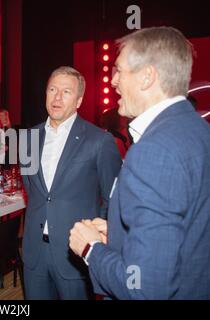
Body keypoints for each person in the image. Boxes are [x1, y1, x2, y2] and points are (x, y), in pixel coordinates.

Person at [69, 27, 210, 299]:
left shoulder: (153, 152)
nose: (113, 81)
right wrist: (122, 234)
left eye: (119, 70)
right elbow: (189, 226)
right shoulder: (198, 131)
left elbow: (145, 287)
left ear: (147, 76)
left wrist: (91, 249)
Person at [21, 66, 121, 299]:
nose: (57, 97)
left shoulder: (100, 140)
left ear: (79, 100)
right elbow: (32, 190)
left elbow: (113, 200)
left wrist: (96, 239)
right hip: (34, 252)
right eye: (52, 89)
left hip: (75, 253)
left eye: (66, 92)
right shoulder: (28, 138)